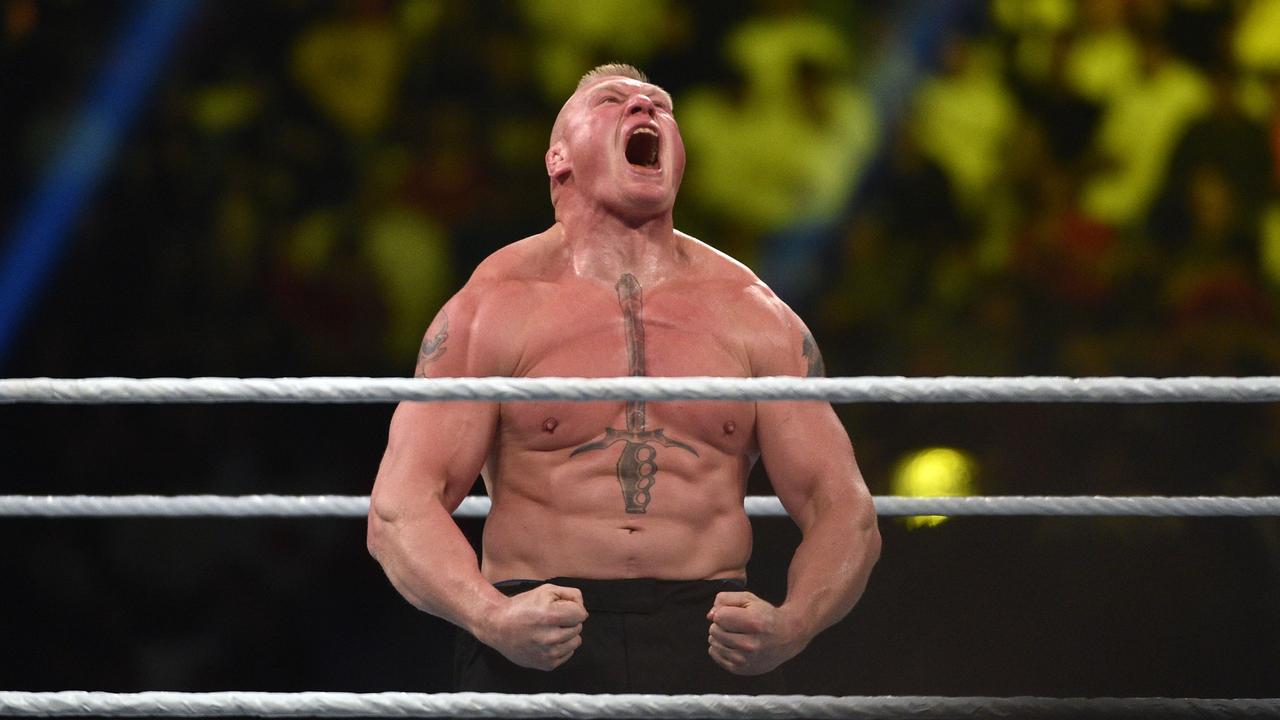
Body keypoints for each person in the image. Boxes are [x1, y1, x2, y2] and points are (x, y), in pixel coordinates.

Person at [367, 64, 880, 694]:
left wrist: (795, 623)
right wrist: (491, 616)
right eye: (613, 101)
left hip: (709, 632)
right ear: (558, 158)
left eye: (660, 106)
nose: (645, 109)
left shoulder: (754, 313)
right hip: (536, 628)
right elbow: (400, 509)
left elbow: (842, 507)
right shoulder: (491, 306)